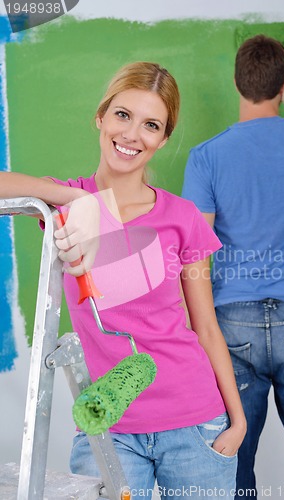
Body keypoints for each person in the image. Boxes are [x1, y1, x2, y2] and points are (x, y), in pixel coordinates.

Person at [0, 62, 246, 499]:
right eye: (122, 115)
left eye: (151, 124)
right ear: (101, 116)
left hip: (194, 424)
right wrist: (77, 198)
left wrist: (238, 420)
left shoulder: (183, 218)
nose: (132, 134)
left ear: (163, 138)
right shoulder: (65, 208)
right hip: (106, 427)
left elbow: (206, 327)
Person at [182, 35, 284, 500]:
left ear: (236, 82)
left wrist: (196, 326)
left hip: (231, 323)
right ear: (283, 84)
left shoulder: (206, 156)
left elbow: (194, 255)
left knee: (232, 462)